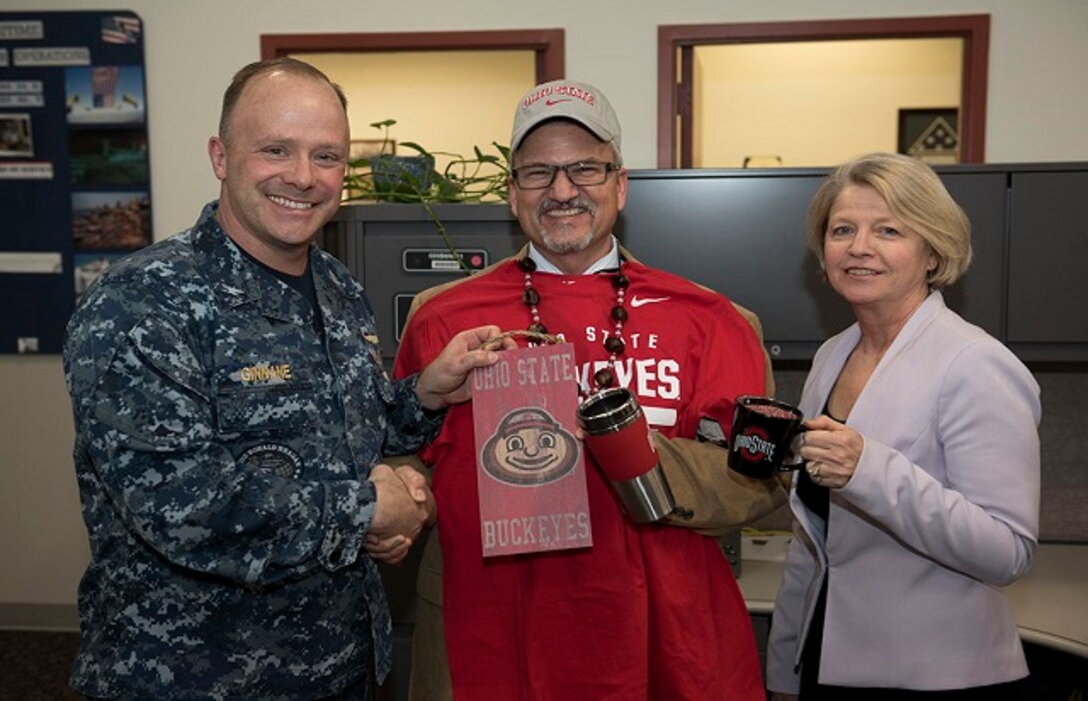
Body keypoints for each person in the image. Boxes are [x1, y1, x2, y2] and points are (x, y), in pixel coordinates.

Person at [62, 57, 508, 700]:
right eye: (277, 149)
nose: (303, 177)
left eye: (326, 156)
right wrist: (368, 511)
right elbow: (184, 510)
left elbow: (349, 432)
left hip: (341, 666)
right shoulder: (141, 303)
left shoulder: (336, 287)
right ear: (221, 155)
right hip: (195, 679)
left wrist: (426, 394)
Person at [392, 79, 787, 700]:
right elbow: (402, 452)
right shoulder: (442, 316)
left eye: (585, 168)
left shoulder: (711, 318)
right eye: (538, 173)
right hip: (493, 635)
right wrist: (397, 497)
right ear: (511, 192)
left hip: (666, 634)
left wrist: (633, 453)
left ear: (621, 185)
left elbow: (759, 477)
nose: (563, 190)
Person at [765, 152, 1041, 700]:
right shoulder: (832, 356)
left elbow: (1006, 550)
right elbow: (815, 541)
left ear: (932, 250)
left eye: (888, 230)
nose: (859, 247)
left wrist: (869, 469)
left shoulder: (974, 363)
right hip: (827, 660)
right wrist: (784, 665)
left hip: (936, 677)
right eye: (843, 229)